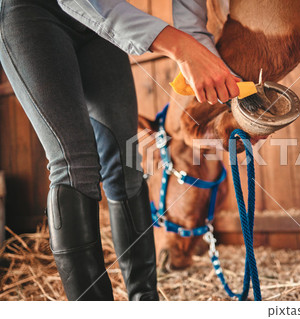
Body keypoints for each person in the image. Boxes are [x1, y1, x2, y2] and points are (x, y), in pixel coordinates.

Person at [0, 0, 240, 300]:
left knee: (126, 166)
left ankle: (145, 300)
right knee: (74, 166)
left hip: (98, 28)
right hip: (33, 13)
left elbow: (188, 11)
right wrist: (181, 46)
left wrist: (199, 52)